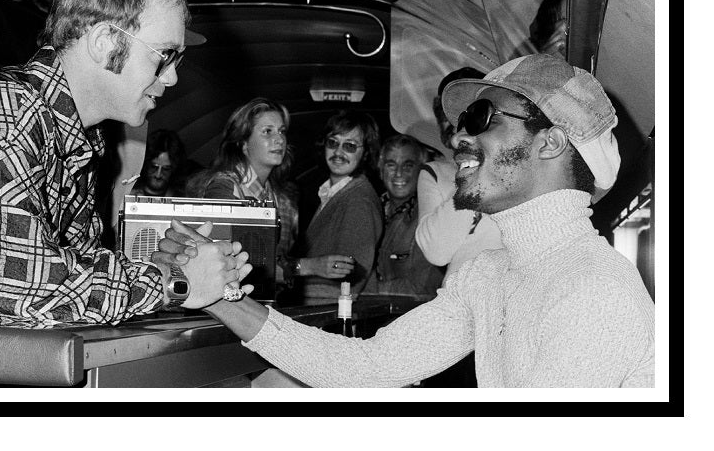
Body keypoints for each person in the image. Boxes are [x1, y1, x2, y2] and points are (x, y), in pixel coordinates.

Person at [166, 53, 655, 388]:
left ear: (550, 142)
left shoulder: (593, 288)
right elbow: (369, 366)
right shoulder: (489, 274)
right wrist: (218, 297)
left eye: (482, 117)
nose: (459, 135)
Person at [0, 0, 248, 328]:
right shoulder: (4, 114)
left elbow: (75, 269)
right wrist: (175, 284)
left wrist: (158, 267)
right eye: (164, 55)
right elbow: (28, 287)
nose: (173, 77)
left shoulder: (81, 138)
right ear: (104, 43)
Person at [188, 97, 300, 288]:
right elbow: (217, 260)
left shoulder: (276, 195)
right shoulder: (225, 187)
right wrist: (301, 268)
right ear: (243, 143)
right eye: (267, 131)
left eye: (282, 131)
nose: (279, 139)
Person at [415, 67, 503, 283]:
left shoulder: (512, 163)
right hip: (457, 298)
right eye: (452, 114)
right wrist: (470, 173)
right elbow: (436, 252)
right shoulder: (434, 173)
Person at [289, 110, 383, 305]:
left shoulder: (359, 201)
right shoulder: (333, 193)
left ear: (365, 153)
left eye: (349, 146)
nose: (338, 152)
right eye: (333, 142)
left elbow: (348, 282)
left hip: (327, 315)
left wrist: (293, 278)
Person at [363, 134, 444, 298]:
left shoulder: (429, 217)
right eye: (391, 165)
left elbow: (422, 288)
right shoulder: (368, 209)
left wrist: (364, 291)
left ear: (421, 170)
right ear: (380, 168)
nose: (398, 173)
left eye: (408, 166)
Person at [132, 129, 197, 197]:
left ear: (174, 169)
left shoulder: (182, 197)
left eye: (166, 169)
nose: (158, 174)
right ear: (144, 165)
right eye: (154, 167)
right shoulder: (127, 192)